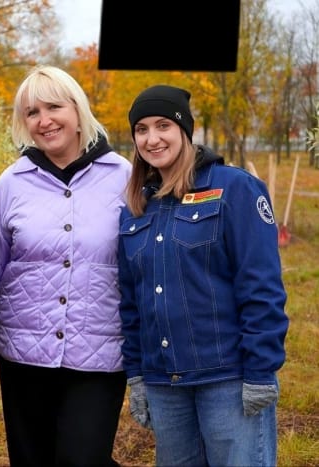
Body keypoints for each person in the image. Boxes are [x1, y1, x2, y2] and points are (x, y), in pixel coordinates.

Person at [118, 84, 290, 466]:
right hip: (165, 383)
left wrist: (260, 370)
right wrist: (137, 374)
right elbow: (131, 302)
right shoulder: (136, 208)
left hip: (228, 380)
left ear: (184, 130)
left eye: (163, 125)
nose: (151, 138)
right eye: (141, 129)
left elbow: (261, 286)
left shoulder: (235, 189)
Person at [0, 65, 132, 466]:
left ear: (77, 110)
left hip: (99, 353)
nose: (44, 120)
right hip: (23, 355)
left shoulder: (124, 178)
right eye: (32, 112)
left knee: (82, 459)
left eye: (53, 107)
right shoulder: (11, 184)